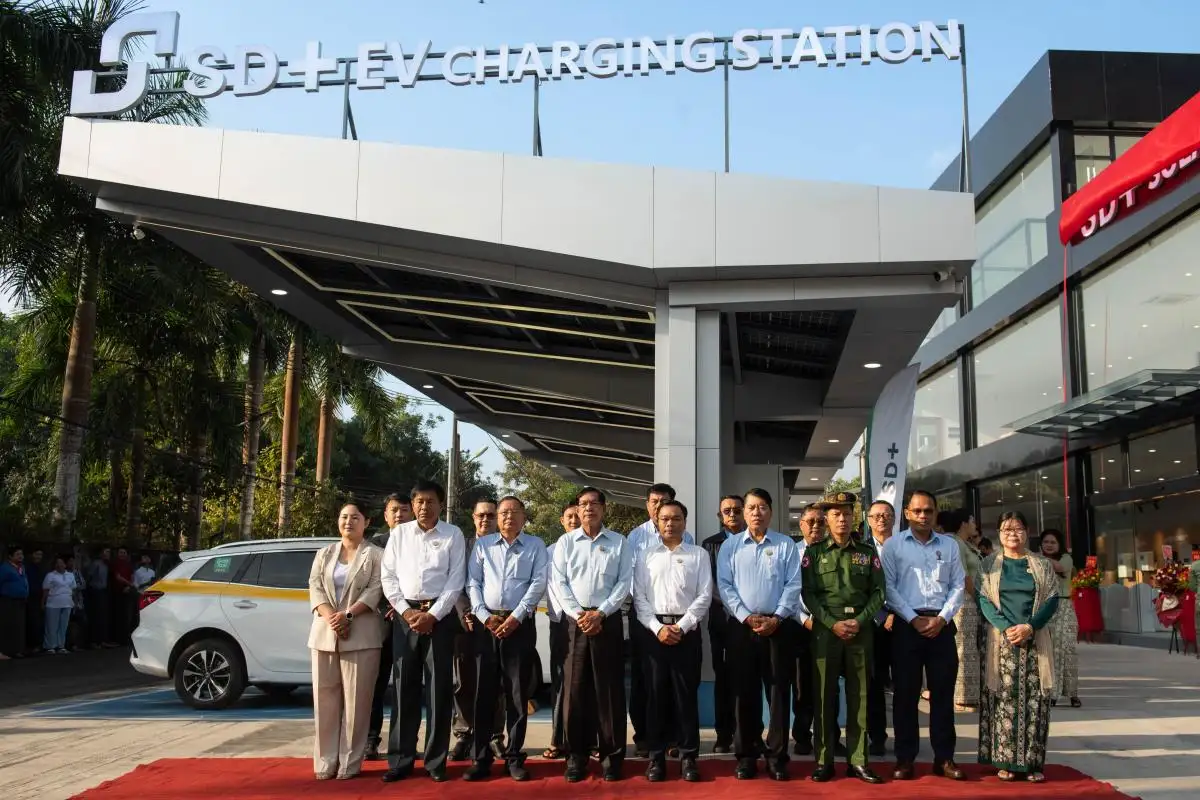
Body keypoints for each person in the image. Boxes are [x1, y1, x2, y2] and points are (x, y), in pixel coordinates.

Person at [380, 480, 467, 784]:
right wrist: (407, 612)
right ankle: (401, 760)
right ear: (413, 504)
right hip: (405, 617)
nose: (424, 507)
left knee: (438, 691)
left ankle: (435, 761)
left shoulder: (453, 534)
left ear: (441, 505)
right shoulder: (399, 534)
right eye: (419, 501)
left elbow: (455, 581)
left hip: (439, 620)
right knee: (403, 690)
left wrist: (432, 615)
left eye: (430, 501)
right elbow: (388, 578)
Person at [717, 487, 801, 782]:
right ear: (744, 512)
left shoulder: (785, 544)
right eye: (751, 507)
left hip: (778, 627)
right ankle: (746, 756)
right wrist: (746, 616)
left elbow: (793, 584)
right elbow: (725, 586)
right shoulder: (730, 547)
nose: (756, 512)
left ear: (771, 512)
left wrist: (777, 617)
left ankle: (777, 757)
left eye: (762, 507)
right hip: (742, 628)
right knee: (744, 693)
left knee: (778, 694)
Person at [801, 491, 885, 784]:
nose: (842, 519)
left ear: (854, 517)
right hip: (826, 631)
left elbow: (879, 592)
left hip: (860, 630)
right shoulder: (814, 553)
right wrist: (832, 623)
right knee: (824, 695)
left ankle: (858, 760)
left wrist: (859, 621)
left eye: (847, 513)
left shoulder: (867, 551)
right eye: (836, 514)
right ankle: (824, 760)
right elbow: (808, 594)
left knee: (860, 696)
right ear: (827, 519)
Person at [463, 496, 548, 782]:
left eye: (514, 512)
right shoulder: (483, 546)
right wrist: (484, 616)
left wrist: (516, 617)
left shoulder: (535, 545)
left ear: (524, 516)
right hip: (486, 626)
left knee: (517, 694)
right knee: (483, 693)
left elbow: (538, 583)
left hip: (519, 626)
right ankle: (480, 758)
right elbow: (473, 582)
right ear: (497, 517)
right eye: (503, 512)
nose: (509, 517)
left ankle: (513, 756)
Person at [883, 491, 966, 781]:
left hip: (941, 626)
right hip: (907, 626)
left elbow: (958, 585)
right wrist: (913, 618)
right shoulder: (893, 545)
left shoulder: (949, 545)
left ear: (935, 513)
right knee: (905, 696)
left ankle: (944, 758)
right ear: (907, 513)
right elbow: (888, 587)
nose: (923, 516)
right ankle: (905, 759)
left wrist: (942, 618)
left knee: (942, 695)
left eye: (928, 511)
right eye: (917, 511)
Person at [551, 486, 633, 783]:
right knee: (575, 691)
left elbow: (624, 582)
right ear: (577, 508)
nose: (588, 508)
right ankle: (576, 756)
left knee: (609, 691)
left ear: (604, 508)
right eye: (583, 503)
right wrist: (579, 614)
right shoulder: (565, 542)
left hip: (607, 621)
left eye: (594, 503)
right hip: (575, 623)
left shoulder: (619, 542)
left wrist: (601, 613)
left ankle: (612, 757)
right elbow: (559, 582)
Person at [978, 511, 1059, 783]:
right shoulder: (988, 564)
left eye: (1018, 529)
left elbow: (1052, 599)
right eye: (1006, 529)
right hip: (1001, 643)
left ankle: (1032, 763)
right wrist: (1006, 627)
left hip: (1036, 641)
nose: (1012, 534)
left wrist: (1030, 627)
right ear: (999, 534)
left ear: (1027, 532)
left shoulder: (1041, 564)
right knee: (1004, 700)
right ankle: (1006, 762)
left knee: (1036, 701)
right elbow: (984, 599)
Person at [634, 499, 711, 782]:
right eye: (664, 518)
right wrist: (658, 628)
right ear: (657, 522)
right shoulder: (645, 555)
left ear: (684, 522)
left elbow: (704, 595)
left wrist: (682, 626)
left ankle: (688, 756)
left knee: (685, 696)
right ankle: (656, 758)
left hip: (686, 633)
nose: (670, 523)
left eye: (676, 518)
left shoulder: (698, 555)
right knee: (655, 696)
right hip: (653, 633)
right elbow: (639, 598)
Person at [308, 503, 385, 781]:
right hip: (325, 633)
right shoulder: (324, 553)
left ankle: (350, 762)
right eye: (344, 517)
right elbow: (315, 586)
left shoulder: (376, 555)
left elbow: (376, 588)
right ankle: (325, 760)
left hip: (362, 634)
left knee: (357, 702)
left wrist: (348, 615)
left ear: (367, 522)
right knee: (325, 701)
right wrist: (332, 617)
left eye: (355, 517)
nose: (348, 522)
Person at [625, 482, 687, 758]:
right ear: (647, 505)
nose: (659, 506)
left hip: (677, 620)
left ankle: (674, 737)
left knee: (674, 679)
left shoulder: (686, 536)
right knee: (644, 680)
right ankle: (645, 737)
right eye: (654, 502)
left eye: (664, 501)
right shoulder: (635, 537)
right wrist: (651, 618)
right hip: (643, 616)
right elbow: (630, 579)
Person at [451, 498, 505, 762]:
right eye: (481, 515)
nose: (486, 520)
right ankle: (464, 733)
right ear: (473, 517)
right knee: (464, 682)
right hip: (466, 624)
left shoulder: (504, 545)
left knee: (496, 682)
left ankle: (495, 735)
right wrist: (466, 612)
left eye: (491, 515)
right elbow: (454, 583)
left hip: (495, 624)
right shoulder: (461, 546)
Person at [365, 493, 413, 761]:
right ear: (386, 515)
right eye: (394, 510)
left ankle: (406, 743)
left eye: (404, 510)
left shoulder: (419, 540)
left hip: (413, 621)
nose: (399, 515)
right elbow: (371, 582)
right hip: (383, 622)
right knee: (377, 683)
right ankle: (371, 739)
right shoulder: (375, 545)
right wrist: (388, 608)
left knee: (407, 685)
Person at [791, 502, 839, 756]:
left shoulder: (837, 551)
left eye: (821, 522)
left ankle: (830, 737)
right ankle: (802, 736)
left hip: (831, 627)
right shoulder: (791, 553)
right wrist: (804, 620)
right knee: (802, 686)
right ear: (801, 525)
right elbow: (786, 591)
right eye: (811, 521)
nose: (816, 526)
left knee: (831, 685)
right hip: (801, 626)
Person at [700, 494, 744, 753]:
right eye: (727, 511)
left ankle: (748, 733)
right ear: (720, 516)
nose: (732, 514)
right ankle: (724, 734)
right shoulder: (710, 545)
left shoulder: (754, 540)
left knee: (748, 679)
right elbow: (709, 584)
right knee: (724, 679)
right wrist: (734, 606)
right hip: (723, 621)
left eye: (737, 510)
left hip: (751, 622)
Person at [541, 502, 580, 760]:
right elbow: (549, 587)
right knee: (561, 682)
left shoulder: (594, 547)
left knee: (586, 683)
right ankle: (558, 739)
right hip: (561, 624)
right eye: (569, 516)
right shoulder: (550, 551)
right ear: (562, 521)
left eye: (577, 515)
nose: (574, 520)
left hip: (589, 621)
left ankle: (588, 740)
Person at [940, 508, 984, 711]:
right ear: (963, 523)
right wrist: (979, 599)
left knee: (970, 648)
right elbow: (963, 577)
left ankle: (970, 695)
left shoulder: (965, 543)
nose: (975, 525)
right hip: (964, 601)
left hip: (972, 601)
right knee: (963, 648)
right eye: (972, 520)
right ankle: (963, 696)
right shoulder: (955, 543)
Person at [862, 499, 896, 756]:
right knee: (873, 684)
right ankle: (877, 737)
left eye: (886, 515)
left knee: (905, 684)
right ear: (868, 520)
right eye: (876, 516)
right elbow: (859, 589)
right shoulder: (861, 550)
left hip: (904, 622)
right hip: (872, 625)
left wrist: (895, 613)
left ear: (894, 518)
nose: (881, 519)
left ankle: (906, 738)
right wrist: (881, 615)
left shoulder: (905, 547)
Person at [1039, 529, 1080, 708]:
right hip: (1046, 608)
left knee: (1068, 650)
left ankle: (1072, 693)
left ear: (1059, 544)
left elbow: (1059, 568)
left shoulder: (1066, 558)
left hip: (1064, 607)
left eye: (1052, 542)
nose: (1049, 545)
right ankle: (1052, 693)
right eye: (1045, 542)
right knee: (1051, 651)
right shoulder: (1036, 562)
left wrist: (1036, 557)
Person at [42, 556, 77, 654]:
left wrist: (73, 602)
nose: (59, 565)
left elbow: (73, 589)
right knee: (52, 626)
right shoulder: (50, 575)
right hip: (53, 603)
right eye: (57, 563)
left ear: (65, 564)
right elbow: (46, 590)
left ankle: (61, 645)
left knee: (63, 626)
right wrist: (43, 602)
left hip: (67, 602)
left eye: (61, 563)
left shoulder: (70, 575)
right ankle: (50, 646)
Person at [0, 547, 29, 660]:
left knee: (18, 626)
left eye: (21, 554)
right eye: (17, 554)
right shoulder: (5, 568)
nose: (20, 556)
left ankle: (16, 650)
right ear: (10, 556)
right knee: (7, 625)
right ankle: (4, 650)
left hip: (20, 600)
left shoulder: (21, 568)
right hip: (8, 600)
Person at [86, 547, 114, 648]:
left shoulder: (107, 565)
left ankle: (102, 640)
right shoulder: (96, 564)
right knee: (96, 616)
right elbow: (89, 577)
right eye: (106, 551)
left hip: (104, 591)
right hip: (95, 591)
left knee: (103, 616)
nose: (107, 554)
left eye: (109, 552)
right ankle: (94, 641)